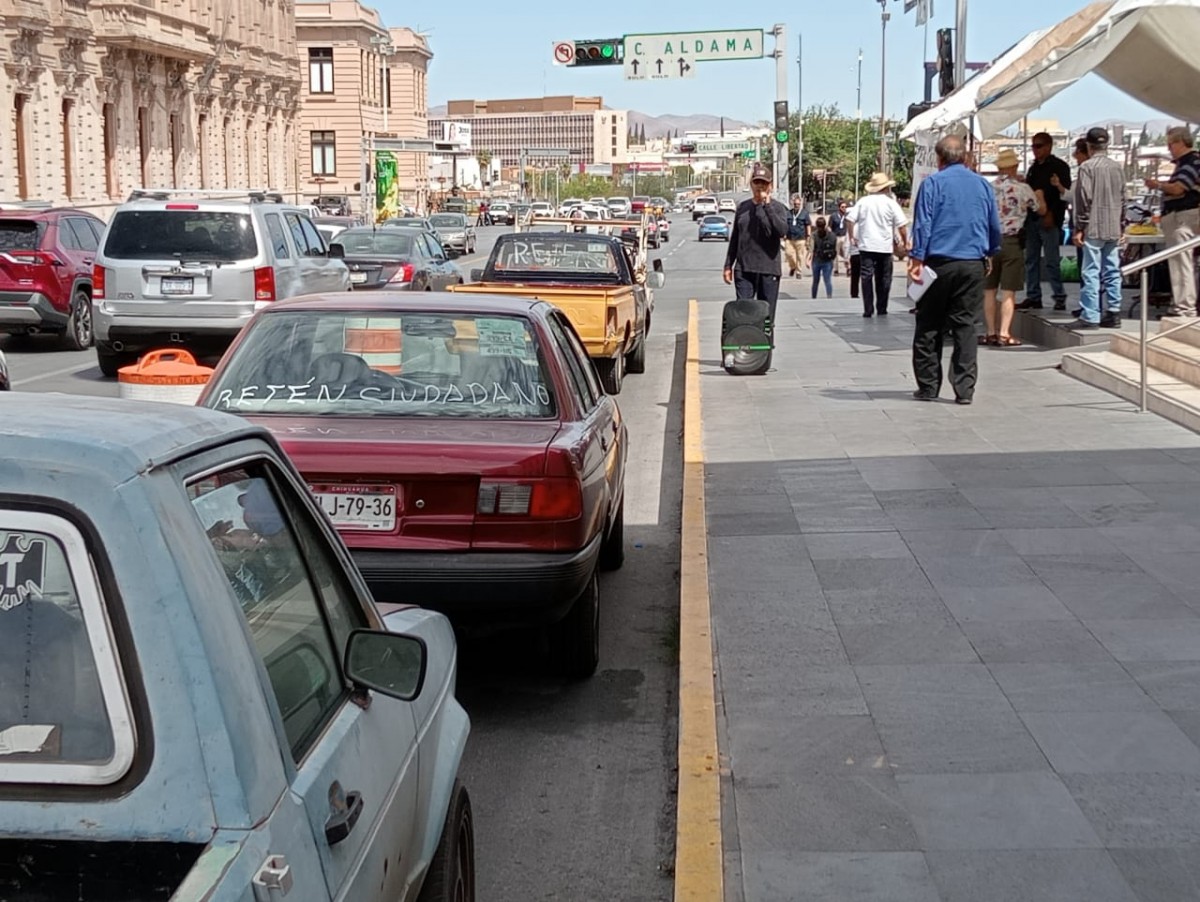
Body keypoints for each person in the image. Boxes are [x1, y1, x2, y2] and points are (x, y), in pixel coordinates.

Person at [908, 135, 1002, 405]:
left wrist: (917, 258)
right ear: (965, 157)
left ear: (938, 159)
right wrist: (990, 252)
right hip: (972, 262)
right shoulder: (982, 185)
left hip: (938, 264)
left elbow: (923, 224)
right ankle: (964, 389)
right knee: (966, 326)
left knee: (929, 324)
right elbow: (993, 224)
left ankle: (928, 386)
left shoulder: (933, 184)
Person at [982, 148, 1044, 347]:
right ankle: (1004, 333)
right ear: (1015, 166)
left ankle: (990, 332)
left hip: (989, 242)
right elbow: (1040, 209)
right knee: (1008, 291)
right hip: (1012, 242)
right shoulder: (1022, 188)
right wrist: (1040, 195)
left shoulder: (988, 188)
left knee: (989, 290)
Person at [1073, 127, 1127, 330]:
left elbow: (1083, 199)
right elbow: (1124, 199)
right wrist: (1122, 225)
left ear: (1089, 145)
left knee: (1091, 271)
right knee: (1112, 270)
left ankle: (1090, 314)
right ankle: (1114, 311)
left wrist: (1080, 227)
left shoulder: (1087, 167)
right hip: (1113, 225)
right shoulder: (1117, 168)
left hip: (1094, 227)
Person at [723, 162, 789, 326]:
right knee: (744, 315)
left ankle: (766, 350)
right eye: (756, 182)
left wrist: (765, 206)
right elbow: (736, 237)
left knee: (766, 318)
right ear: (751, 184)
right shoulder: (743, 207)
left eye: (763, 183)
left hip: (768, 269)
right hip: (744, 269)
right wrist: (728, 265)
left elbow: (781, 231)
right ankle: (746, 349)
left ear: (770, 186)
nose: (759, 186)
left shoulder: (778, 208)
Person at [1145, 126, 1200, 318]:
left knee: (1181, 262)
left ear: (1181, 142)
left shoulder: (1192, 161)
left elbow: (1179, 188)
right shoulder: (1186, 162)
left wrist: (1158, 185)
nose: (1169, 148)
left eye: (1171, 143)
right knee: (1181, 263)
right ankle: (1181, 304)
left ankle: (1184, 307)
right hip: (1179, 217)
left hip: (1183, 218)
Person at [1018, 132, 1072, 311]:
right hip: (1032, 219)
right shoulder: (1033, 168)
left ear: (1049, 146)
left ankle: (1059, 296)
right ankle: (1033, 296)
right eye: (1033, 146)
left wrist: (1053, 215)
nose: (1035, 150)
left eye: (1039, 146)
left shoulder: (1059, 167)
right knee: (1031, 260)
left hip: (1050, 220)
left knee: (1051, 261)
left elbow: (1064, 194)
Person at [845, 173, 908, 317]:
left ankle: (868, 309)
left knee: (866, 278)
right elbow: (902, 225)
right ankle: (882, 307)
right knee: (884, 278)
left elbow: (849, 219)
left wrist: (852, 237)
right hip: (884, 247)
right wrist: (905, 242)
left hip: (866, 246)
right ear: (886, 188)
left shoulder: (863, 201)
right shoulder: (891, 203)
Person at [784, 195, 812, 277]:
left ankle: (799, 272)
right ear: (793, 204)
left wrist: (808, 236)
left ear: (801, 204)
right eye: (795, 204)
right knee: (788, 254)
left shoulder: (805, 213)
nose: (797, 206)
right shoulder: (788, 213)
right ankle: (793, 267)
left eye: (798, 204)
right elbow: (785, 224)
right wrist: (784, 233)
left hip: (801, 238)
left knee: (800, 256)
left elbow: (808, 225)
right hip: (789, 238)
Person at [811, 217, 837, 298]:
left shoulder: (814, 235)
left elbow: (811, 248)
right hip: (828, 260)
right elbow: (834, 248)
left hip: (817, 259)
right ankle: (829, 296)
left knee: (815, 281)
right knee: (827, 280)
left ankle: (814, 297)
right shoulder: (832, 235)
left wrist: (808, 259)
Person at [829, 200, 850, 275]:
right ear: (839, 207)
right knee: (835, 254)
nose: (844, 208)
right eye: (842, 207)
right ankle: (836, 270)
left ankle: (848, 268)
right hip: (836, 236)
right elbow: (830, 227)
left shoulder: (848, 215)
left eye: (845, 207)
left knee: (846, 254)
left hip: (845, 236)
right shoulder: (834, 216)